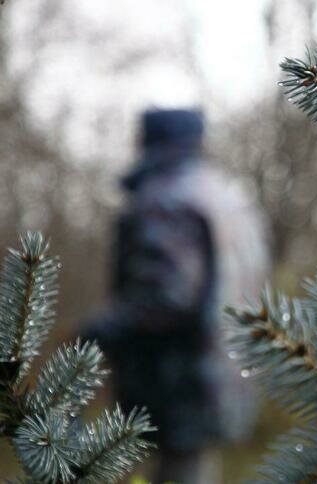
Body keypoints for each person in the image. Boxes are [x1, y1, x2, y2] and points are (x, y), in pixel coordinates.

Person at [84, 108, 269, 483]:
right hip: (223, 378)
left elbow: (167, 295)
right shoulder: (225, 196)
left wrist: (99, 329)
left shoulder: (165, 199)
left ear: (148, 142)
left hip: (179, 385)